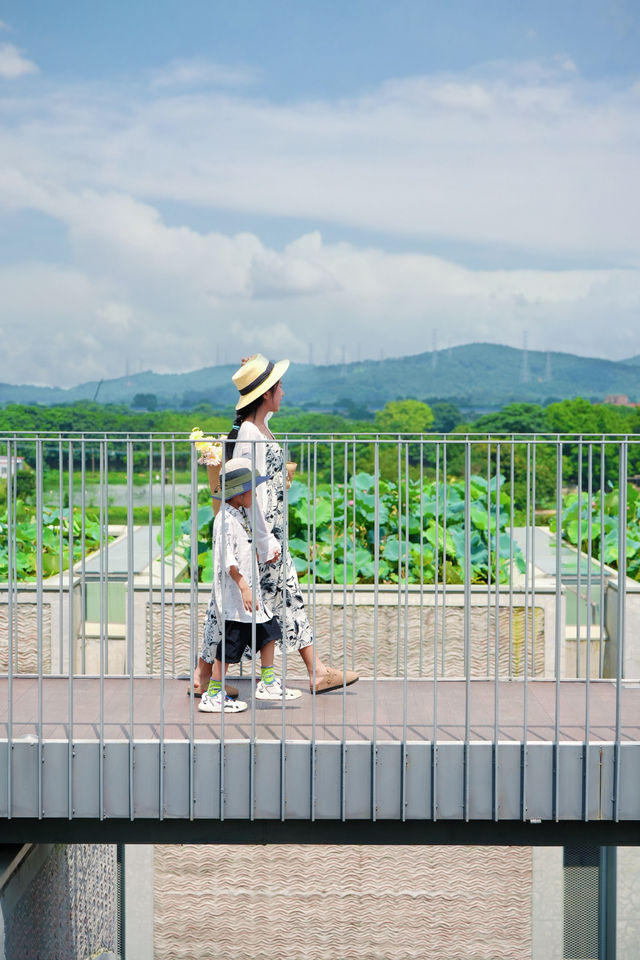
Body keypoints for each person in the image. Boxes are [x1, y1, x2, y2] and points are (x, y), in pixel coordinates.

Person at [195, 353, 359, 695]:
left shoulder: (258, 428)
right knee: (267, 599)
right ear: (266, 393)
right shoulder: (251, 434)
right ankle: (308, 672)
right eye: (279, 386)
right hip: (259, 536)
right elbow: (246, 490)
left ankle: (206, 676)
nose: (283, 392)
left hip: (266, 532)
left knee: (275, 599)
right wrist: (264, 539)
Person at [199, 458, 302, 713]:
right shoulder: (224, 520)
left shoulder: (238, 516)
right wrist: (244, 585)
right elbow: (226, 559)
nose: (253, 493)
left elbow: (242, 550)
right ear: (239, 492)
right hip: (237, 597)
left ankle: (267, 681)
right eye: (250, 489)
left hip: (249, 595)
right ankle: (213, 693)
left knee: (270, 632)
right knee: (230, 647)